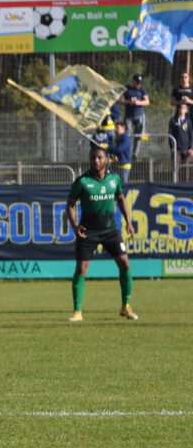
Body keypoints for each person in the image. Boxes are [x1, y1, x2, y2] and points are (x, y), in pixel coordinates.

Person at [65, 145, 138, 323]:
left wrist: (128, 221)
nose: (95, 161)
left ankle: (125, 306)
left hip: (110, 230)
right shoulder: (82, 182)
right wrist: (75, 227)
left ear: (106, 160)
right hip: (88, 232)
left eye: (99, 157)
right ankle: (77, 311)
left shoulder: (114, 180)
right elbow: (70, 205)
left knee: (125, 264)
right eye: (92, 158)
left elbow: (121, 199)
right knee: (81, 269)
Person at [119, 74, 150, 158]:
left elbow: (147, 101)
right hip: (129, 116)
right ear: (133, 81)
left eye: (139, 83)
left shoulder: (142, 90)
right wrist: (129, 102)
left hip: (139, 115)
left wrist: (138, 102)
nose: (138, 84)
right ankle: (127, 151)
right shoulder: (127, 88)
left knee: (138, 135)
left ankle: (135, 153)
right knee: (127, 134)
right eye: (136, 82)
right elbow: (121, 100)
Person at [168, 103, 192, 182]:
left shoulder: (188, 122)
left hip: (186, 148)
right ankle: (175, 184)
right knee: (175, 167)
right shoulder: (173, 121)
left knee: (186, 168)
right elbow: (170, 135)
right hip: (176, 148)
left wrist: (191, 148)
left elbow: (191, 136)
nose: (181, 109)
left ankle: (186, 185)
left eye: (183, 108)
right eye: (180, 107)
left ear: (186, 110)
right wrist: (172, 147)